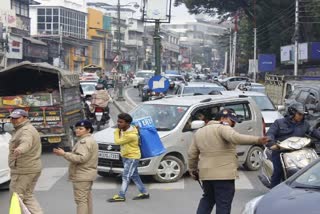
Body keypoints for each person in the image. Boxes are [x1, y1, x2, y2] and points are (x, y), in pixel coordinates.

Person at [188, 109, 269, 214]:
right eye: (232, 121)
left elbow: (191, 154)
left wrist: (193, 170)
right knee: (223, 204)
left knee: (207, 200)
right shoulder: (223, 128)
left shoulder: (200, 131)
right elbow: (235, 137)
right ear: (223, 118)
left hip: (206, 175)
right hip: (223, 176)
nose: (233, 124)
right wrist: (257, 140)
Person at [266, 101, 320, 188]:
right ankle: (273, 191)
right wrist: (271, 143)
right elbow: (270, 134)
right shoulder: (279, 123)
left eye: (303, 114)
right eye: (299, 114)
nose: (302, 116)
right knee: (278, 172)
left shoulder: (305, 124)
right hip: (281, 151)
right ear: (292, 113)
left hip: (299, 152)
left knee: (312, 169)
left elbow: (313, 131)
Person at [53, 120, 98, 214]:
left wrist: (64, 154)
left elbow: (81, 158)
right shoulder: (90, 140)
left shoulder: (84, 142)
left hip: (82, 174)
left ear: (88, 130)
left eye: (81, 129)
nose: (77, 130)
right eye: (76, 128)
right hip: (87, 174)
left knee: (81, 201)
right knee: (86, 199)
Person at [108, 113, 150, 202]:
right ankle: (144, 193)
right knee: (134, 176)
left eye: (121, 122)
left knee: (126, 176)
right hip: (126, 156)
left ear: (127, 123)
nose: (118, 123)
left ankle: (121, 195)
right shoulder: (126, 129)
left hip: (132, 157)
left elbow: (117, 142)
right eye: (118, 121)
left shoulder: (131, 135)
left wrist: (116, 131)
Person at [8, 109, 43, 214]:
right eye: (12, 118)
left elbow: (26, 142)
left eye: (17, 118)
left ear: (25, 118)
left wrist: (20, 149)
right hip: (31, 168)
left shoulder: (26, 130)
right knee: (27, 196)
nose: (14, 120)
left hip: (24, 170)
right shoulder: (23, 129)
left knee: (16, 197)